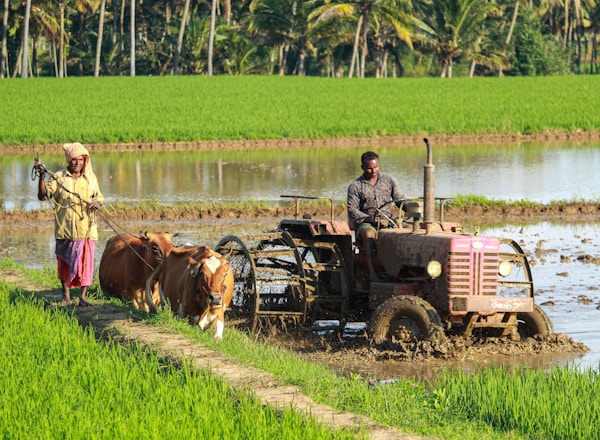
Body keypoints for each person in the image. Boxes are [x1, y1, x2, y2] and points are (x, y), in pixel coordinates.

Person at [35, 143, 104, 306]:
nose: (77, 163)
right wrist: (41, 176)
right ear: (68, 160)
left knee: (86, 263)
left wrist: (97, 203)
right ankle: (65, 294)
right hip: (65, 229)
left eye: (81, 160)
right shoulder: (59, 177)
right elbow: (43, 195)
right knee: (64, 262)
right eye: (74, 160)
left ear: (85, 161)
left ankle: (83, 297)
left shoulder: (90, 178)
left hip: (86, 229)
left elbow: (99, 196)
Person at [347, 151, 404, 281]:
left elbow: (400, 199)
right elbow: (352, 210)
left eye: (376, 167)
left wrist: (411, 209)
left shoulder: (388, 180)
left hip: (388, 220)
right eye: (370, 168)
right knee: (369, 235)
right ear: (362, 167)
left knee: (407, 232)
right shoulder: (356, 186)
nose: (374, 171)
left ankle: (400, 271)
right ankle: (372, 274)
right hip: (366, 223)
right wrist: (371, 220)